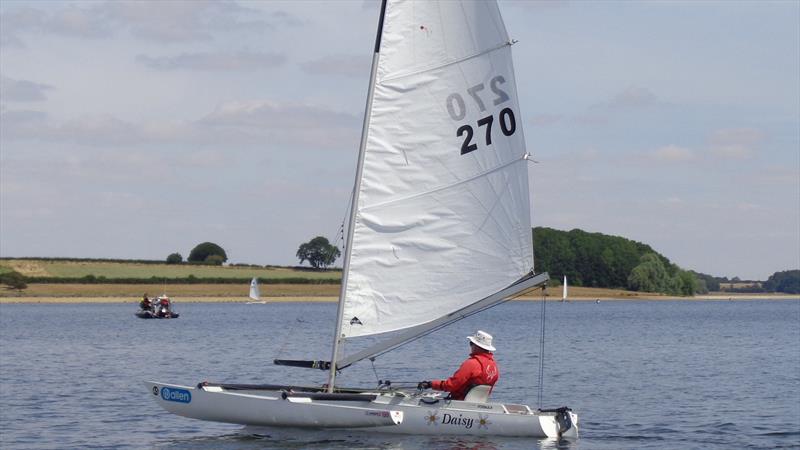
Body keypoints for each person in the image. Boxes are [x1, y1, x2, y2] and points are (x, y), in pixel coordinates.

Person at [418, 330, 499, 400]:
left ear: (477, 346)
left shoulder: (472, 364)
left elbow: (451, 385)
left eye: (471, 343)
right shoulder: (494, 366)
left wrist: (430, 384)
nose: (470, 346)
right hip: (477, 404)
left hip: (460, 404)